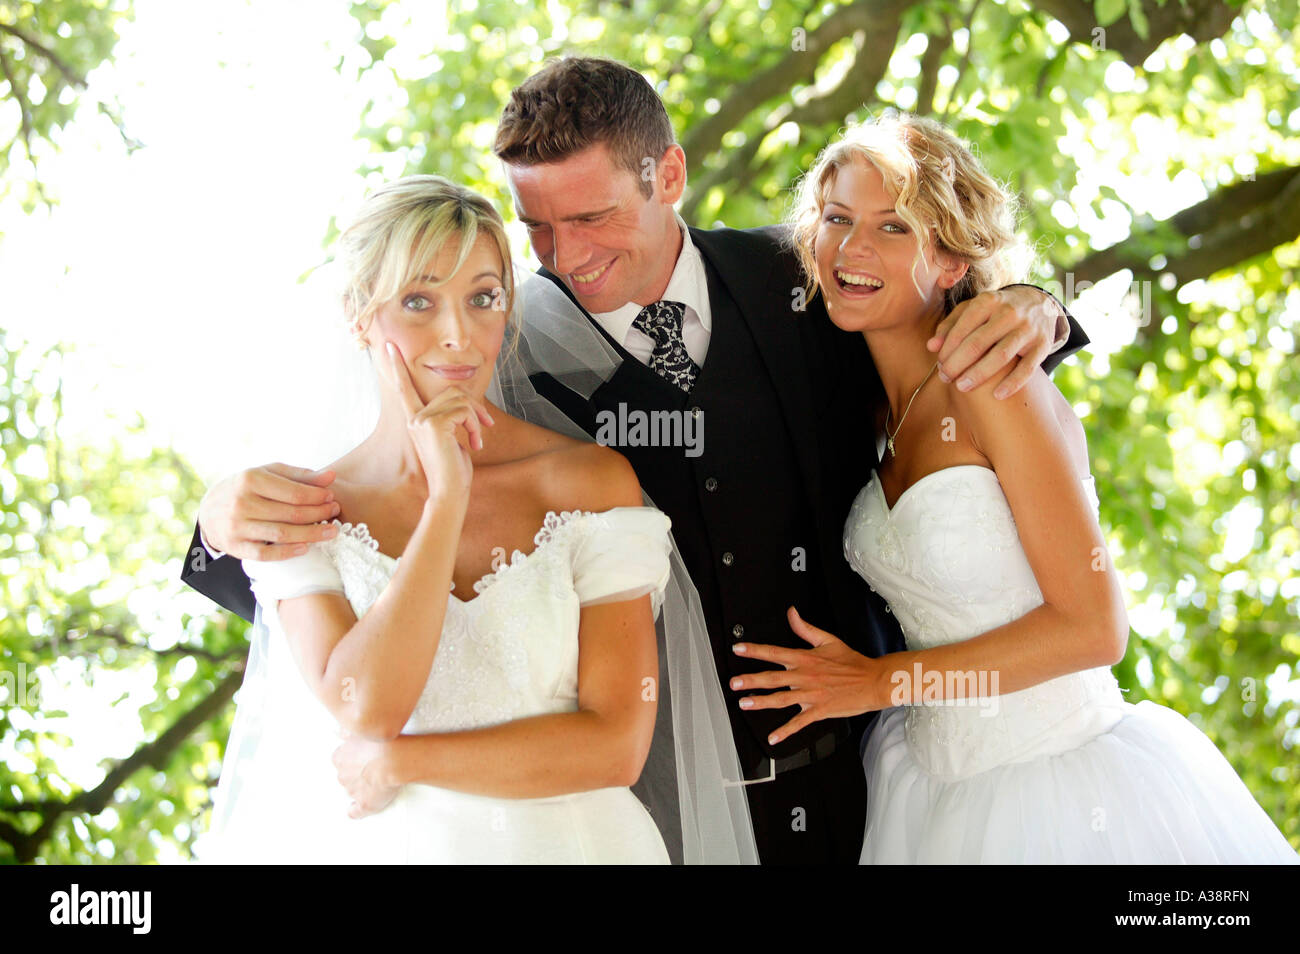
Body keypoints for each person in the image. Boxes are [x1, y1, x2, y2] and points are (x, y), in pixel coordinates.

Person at [184, 56, 1088, 864]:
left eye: (591, 215)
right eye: (538, 227)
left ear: (670, 175)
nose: (566, 256)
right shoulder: (496, 347)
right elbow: (337, 566)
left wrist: (1037, 304)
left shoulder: (806, 278)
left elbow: (934, 306)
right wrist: (219, 518)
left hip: (861, 787)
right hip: (648, 817)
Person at [729, 112, 1299, 863]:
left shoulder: (996, 383)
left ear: (951, 260)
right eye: (836, 218)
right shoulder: (867, 412)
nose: (853, 247)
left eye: (894, 227)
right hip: (926, 791)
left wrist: (877, 682)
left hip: (1060, 789)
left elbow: (1095, 628)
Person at [202, 175, 756, 863]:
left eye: (483, 298)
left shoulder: (589, 482)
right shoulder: (304, 510)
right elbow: (367, 706)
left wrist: (401, 764)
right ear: (358, 315)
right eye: (418, 301)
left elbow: (616, 746)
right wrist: (446, 503)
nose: (458, 334)